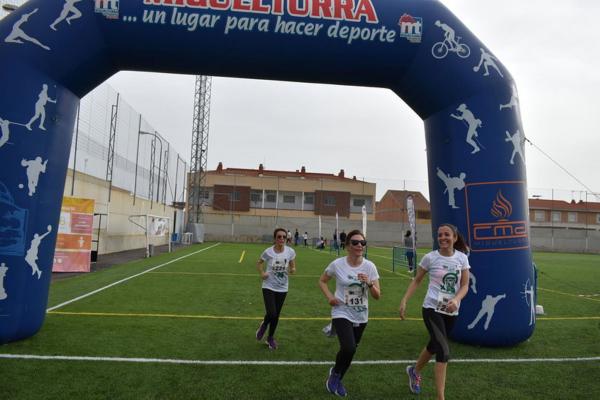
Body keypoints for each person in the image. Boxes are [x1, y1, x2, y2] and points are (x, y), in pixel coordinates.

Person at [398, 223, 470, 400]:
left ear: (454, 238)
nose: (443, 238)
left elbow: (465, 285)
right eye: (440, 235)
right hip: (431, 308)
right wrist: (405, 300)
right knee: (443, 350)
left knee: (433, 345)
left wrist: (456, 299)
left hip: (451, 310)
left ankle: (414, 371)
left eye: (446, 235)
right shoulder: (430, 258)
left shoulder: (462, 258)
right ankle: (440, 397)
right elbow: (417, 281)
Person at [319, 230, 381, 397]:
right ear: (347, 246)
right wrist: (330, 297)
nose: (359, 245)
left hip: (361, 315)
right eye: (355, 242)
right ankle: (335, 376)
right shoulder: (337, 264)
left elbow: (377, 296)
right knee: (349, 346)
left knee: (350, 351)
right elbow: (322, 281)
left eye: (362, 242)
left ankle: (337, 376)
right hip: (341, 311)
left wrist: (368, 283)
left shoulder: (370, 266)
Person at [255, 228, 296, 350]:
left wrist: (293, 269)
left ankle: (270, 338)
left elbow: (293, 265)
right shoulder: (268, 252)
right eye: (279, 237)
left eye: (284, 237)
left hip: (283, 287)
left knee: (276, 315)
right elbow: (259, 263)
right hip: (268, 285)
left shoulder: (290, 251)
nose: (282, 239)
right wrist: (262, 273)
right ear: (275, 239)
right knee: (272, 312)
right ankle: (264, 325)